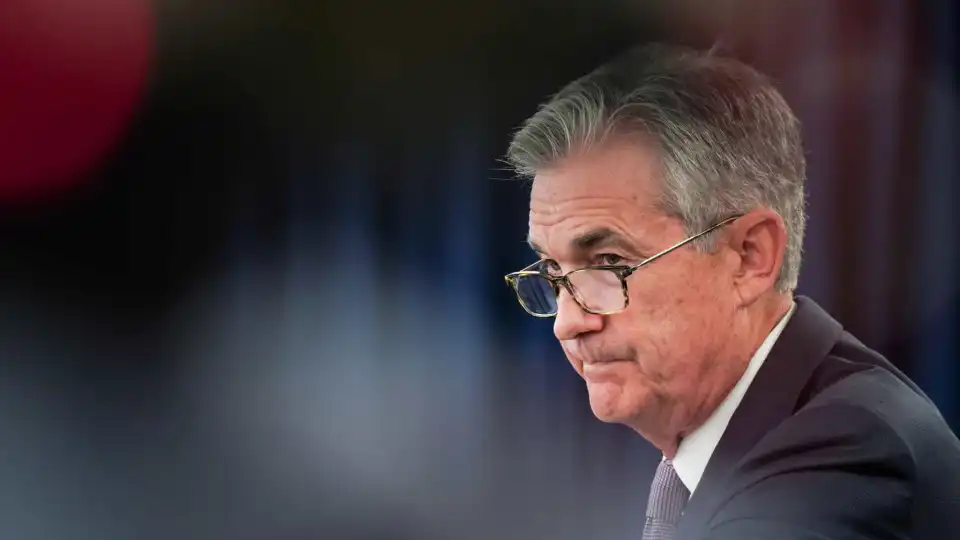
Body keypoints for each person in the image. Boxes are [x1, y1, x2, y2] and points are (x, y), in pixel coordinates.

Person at [502, 43, 960, 540]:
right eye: (554, 270)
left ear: (749, 257)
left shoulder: (849, 452)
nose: (568, 323)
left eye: (609, 263)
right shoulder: (741, 443)